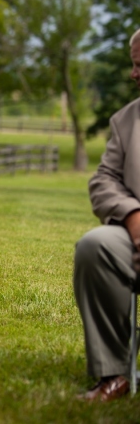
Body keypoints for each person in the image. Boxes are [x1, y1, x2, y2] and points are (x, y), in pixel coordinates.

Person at [73, 27, 140, 402]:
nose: (133, 75)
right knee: (95, 245)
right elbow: (104, 182)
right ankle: (113, 374)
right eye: (133, 65)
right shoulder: (126, 121)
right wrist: (133, 217)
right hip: (134, 242)